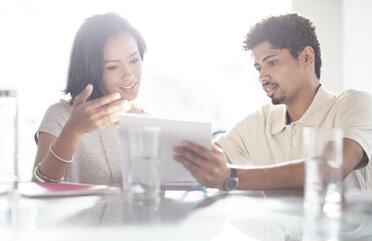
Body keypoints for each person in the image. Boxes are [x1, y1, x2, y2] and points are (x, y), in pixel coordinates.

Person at [174, 13, 372, 191]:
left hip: (346, 233)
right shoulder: (260, 121)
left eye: (272, 62)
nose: (262, 77)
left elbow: (329, 169)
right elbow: (210, 160)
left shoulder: (354, 105)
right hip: (282, 232)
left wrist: (231, 177)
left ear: (306, 57)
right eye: (259, 68)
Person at [32, 13, 147, 185]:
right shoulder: (61, 116)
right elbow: (39, 187)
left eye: (134, 60)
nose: (129, 74)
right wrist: (73, 131)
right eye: (113, 66)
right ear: (90, 71)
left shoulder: (150, 123)